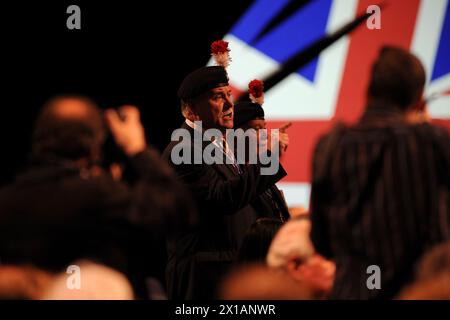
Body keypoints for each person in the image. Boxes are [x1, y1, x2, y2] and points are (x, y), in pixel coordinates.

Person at [0, 95, 195, 298]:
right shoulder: (101, 196)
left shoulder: (6, 200)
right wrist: (137, 148)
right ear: (94, 147)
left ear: (37, 139)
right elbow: (178, 209)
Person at [310, 46, 450, 299]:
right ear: (418, 98)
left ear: (369, 90)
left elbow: (321, 242)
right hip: (417, 291)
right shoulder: (432, 141)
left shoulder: (330, 146)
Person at [162, 41, 287, 299]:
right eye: (218, 96)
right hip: (204, 280)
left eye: (228, 94)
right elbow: (225, 198)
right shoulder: (183, 149)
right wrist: (268, 159)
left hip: (232, 274)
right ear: (192, 110)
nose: (230, 104)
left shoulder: (223, 144)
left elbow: (249, 201)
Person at [233, 79, 291, 222]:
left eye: (264, 128)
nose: (265, 135)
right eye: (257, 129)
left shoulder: (256, 169)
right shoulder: (234, 174)